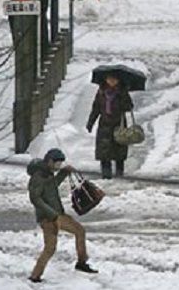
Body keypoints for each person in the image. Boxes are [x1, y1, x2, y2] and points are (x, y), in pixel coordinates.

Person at [28, 148, 98, 282]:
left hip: (58, 215)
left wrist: (64, 172)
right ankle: (35, 276)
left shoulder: (47, 174)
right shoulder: (38, 177)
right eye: (57, 164)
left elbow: (53, 186)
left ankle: (81, 262)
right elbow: (35, 198)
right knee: (50, 248)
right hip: (48, 218)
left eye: (60, 164)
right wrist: (52, 214)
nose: (58, 166)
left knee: (79, 231)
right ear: (49, 161)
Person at [87, 74, 134, 178]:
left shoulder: (122, 91)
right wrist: (90, 123)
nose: (112, 81)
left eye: (114, 79)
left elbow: (129, 106)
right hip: (104, 125)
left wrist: (123, 96)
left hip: (119, 125)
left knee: (119, 150)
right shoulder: (101, 92)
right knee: (104, 151)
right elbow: (96, 108)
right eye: (109, 79)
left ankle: (119, 173)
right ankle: (106, 174)